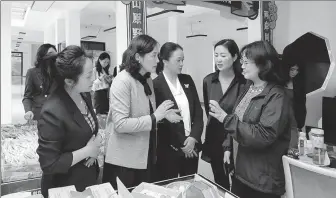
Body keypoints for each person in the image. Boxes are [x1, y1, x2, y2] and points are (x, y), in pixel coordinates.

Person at [209, 41, 290, 198]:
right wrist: (228, 147)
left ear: (263, 64)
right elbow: (238, 118)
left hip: (261, 179)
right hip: (241, 171)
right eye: (241, 62)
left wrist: (225, 118)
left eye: (246, 63)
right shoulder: (249, 88)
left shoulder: (277, 95)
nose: (242, 66)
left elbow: (263, 135)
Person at [103, 35, 178, 189]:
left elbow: (147, 114)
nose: (158, 61)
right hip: (125, 161)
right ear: (138, 56)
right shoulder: (122, 81)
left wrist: (163, 116)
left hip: (145, 154)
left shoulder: (147, 79)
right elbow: (120, 124)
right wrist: (155, 117)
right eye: (154, 56)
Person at [36, 46, 102, 198]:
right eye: (88, 76)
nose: (94, 79)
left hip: (86, 180)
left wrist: (96, 145)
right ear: (69, 81)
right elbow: (49, 164)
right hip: (64, 187)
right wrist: (87, 151)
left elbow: (89, 130)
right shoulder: (52, 111)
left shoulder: (84, 94)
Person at [153, 42, 204, 181]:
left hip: (192, 146)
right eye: (178, 60)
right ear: (165, 61)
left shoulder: (187, 79)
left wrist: (193, 138)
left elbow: (198, 114)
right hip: (170, 149)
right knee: (169, 188)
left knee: (189, 186)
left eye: (183, 60)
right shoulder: (155, 85)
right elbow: (160, 120)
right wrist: (183, 145)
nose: (181, 63)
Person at [201, 39, 245, 190]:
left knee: (238, 180)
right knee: (220, 181)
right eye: (216, 55)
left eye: (223, 56)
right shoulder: (208, 81)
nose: (218, 59)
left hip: (237, 137)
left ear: (234, 57)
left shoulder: (244, 82)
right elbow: (209, 111)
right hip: (214, 137)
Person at [22, 44, 57, 121]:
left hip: (57, 115)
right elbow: (27, 96)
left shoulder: (60, 73)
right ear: (41, 56)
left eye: (54, 54)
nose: (52, 57)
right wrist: (28, 111)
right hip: (38, 115)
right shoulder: (32, 72)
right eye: (49, 54)